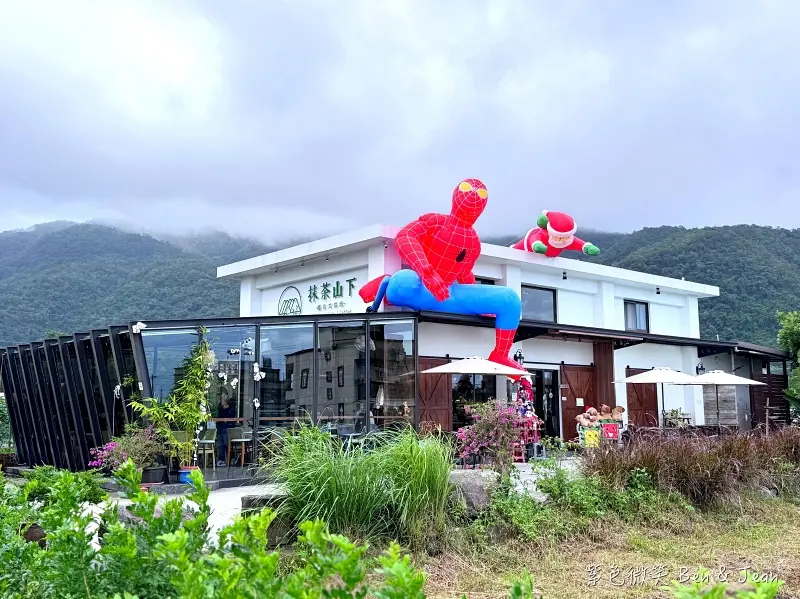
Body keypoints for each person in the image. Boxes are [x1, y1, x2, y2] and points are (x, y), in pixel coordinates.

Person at [216, 390, 236, 466]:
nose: (222, 399)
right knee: (220, 444)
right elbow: (218, 417)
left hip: (227, 428)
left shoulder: (231, 407)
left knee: (226, 443)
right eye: (221, 397)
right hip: (220, 427)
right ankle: (222, 459)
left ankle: (229, 459)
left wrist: (227, 421)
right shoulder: (219, 407)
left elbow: (232, 418)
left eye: (223, 397)